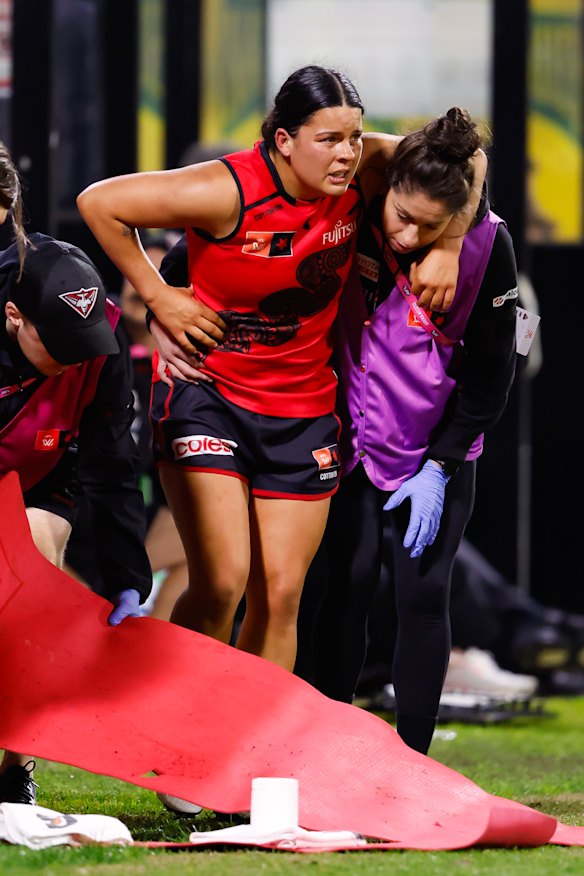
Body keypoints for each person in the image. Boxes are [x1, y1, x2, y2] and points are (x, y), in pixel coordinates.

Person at [295, 107, 518, 756]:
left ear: (460, 215)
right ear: (386, 189)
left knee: (425, 594)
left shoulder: (486, 246)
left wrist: (442, 465)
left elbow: (491, 377)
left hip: (432, 453)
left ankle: (413, 761)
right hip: (350, 441)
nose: (406, 233)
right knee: (346, 584)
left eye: (430, 226)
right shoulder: (362, 194)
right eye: (402, 215)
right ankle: (326, 752)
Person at [0, 142, 152, 804]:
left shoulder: (97, 344)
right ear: (13, 319)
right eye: (52, 348)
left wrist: (127, 579)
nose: (71, 362)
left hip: (37, 484)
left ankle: (14, 770)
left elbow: (113, 466)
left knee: (26, 579)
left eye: (81, 347)